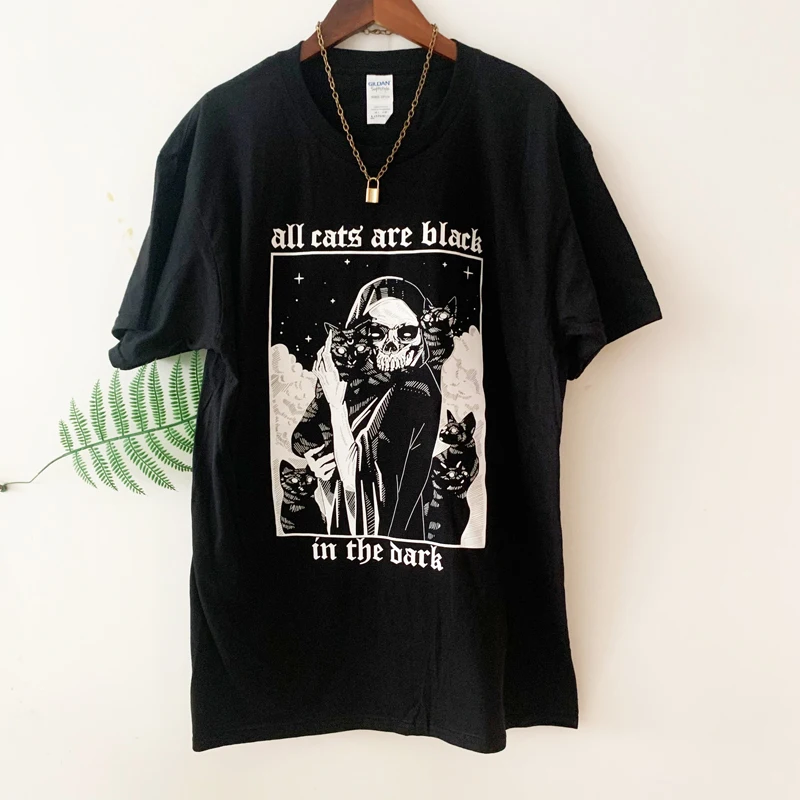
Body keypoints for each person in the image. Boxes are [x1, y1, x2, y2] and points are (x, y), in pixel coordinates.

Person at [291, 276, 442, 539]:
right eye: (377, 332)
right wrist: (314, 458)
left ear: (421, 335)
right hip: (345, 533)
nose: (391, 345)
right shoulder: (355, 380)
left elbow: (357, 478)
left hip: (389, 536)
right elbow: (302, 437)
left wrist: (336, 403)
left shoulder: (415, 389)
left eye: (406, 333)